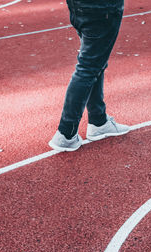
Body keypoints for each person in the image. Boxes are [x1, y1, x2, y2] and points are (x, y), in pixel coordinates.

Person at [48, 0, 130, 152]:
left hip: (79, 6)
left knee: (94, 64)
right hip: (103, 8)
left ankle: (98, 121)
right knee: (88, 68)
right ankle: (66, 133)